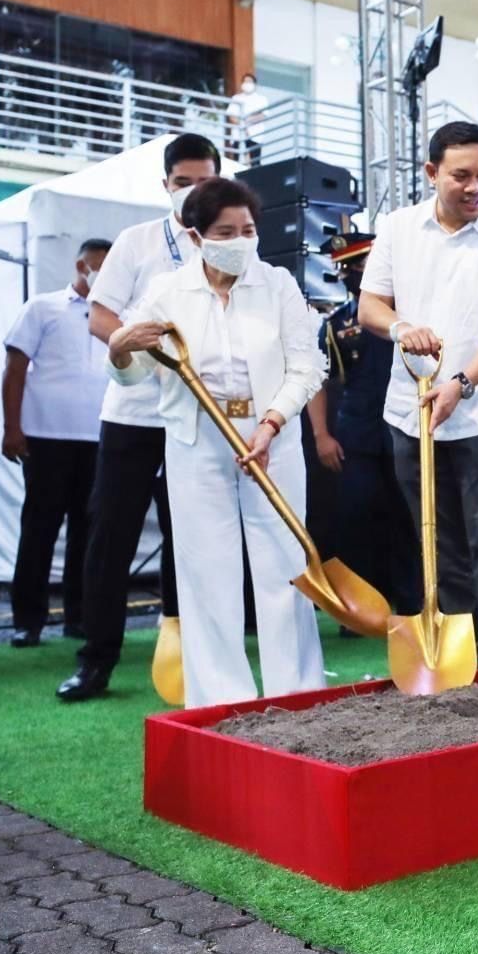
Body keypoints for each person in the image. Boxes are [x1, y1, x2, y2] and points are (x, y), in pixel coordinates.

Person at [105, 178, 327, 708]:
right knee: (208, 568)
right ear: (196, 235)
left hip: (271, 434)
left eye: (248, 229)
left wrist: (270, 424)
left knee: (285, 564)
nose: (240, 240)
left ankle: (294, 693)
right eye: (225, 231)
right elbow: (134, 373)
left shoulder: (277, 285)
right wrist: (118, 348)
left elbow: (307, 365)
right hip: (196, 439)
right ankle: (220, 699)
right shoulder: (167, 292)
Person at [358, 121, 478, 675]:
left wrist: (460, 384)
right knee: (435, 538)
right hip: (408, 411)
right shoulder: (397, 228)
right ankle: (458, 656)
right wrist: (401, 328)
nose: (475, 187)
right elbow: (370, 309)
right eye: (461, 175)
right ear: (432, 173)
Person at [58, 132, 220, 702]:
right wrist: (134, 341)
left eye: (204, 181)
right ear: (166, 187)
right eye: (183, 183)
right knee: (111, 534)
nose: (193, 192)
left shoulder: (229, 240)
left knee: (194, 536)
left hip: (201, 415)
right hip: (132, 411)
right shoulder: (136, 242)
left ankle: (191, 653)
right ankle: (95, 660)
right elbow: (99, 317)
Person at [1, 238, 114, 646]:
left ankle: (78, 616)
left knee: (88, 531)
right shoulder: (42, 307)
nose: (101, 273)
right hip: (46, 435)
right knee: (40, 527)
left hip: (99, 437)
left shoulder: (117, 318)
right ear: (80, 265)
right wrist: (12, 428)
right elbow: (15, 370)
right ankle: (27, 619)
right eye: (96, 265)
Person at [307, 232, 418, 616]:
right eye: (348, 269)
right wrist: (321, 434)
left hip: (407, 429)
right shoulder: (337, 324)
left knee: (410, 518)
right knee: (355, 519)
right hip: (357, 435)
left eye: (361, 266)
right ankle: (360, 609)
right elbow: (316, 379)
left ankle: (413, 604)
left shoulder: (410, 314)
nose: (355, 274)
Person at [226, 73, 269, 167]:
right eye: (245, 81)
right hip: (238, 135)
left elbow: (263, 115)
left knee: (254, 163)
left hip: (255, 135)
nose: (247, 84)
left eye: (249, 81)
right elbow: (231, 116)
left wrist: (246, 122)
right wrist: (243, 125)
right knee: (236, 163)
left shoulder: (261, 99)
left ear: (254, 84)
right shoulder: (236, 98)